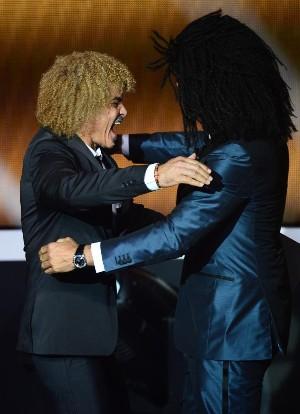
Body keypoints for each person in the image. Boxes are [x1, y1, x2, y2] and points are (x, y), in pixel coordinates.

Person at [39, 10, 296, 414]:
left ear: (214, 81)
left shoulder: (239, 155)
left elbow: (175, 234)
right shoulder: (248, 137)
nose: (181, 90)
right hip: (221, 325)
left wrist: (81, 256)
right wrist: (116, 142)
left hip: (230, 327)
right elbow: (182, 142)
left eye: (186, 80)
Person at [17, 50, 212, 414]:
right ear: (84, 103)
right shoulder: (49, 148)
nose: (123, 112)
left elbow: (127, 220)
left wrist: (191, 227)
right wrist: (155, 175)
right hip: (63, 337)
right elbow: (69, 189)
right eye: (115, 102)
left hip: (96, 336)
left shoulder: (99, 157)